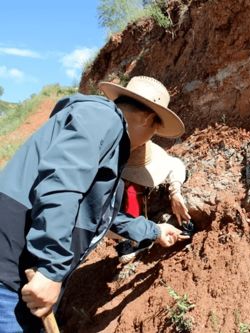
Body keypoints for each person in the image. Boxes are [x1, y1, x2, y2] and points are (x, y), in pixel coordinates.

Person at [0, 76, 188, 332]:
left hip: (24, 275)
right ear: (147, 120)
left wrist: (155, 231)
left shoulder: (103, 147)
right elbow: (60, 185)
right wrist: (51, 269)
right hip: (13, 273)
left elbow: (105, 217)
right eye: (154, 131)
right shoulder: (103, 117)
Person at [113, 139, 192, 263]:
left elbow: (175, 165)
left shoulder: (136, 148)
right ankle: (131, 241)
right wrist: (155, 232)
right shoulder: (105, 194)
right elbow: (109, 223)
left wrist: (175, 193)